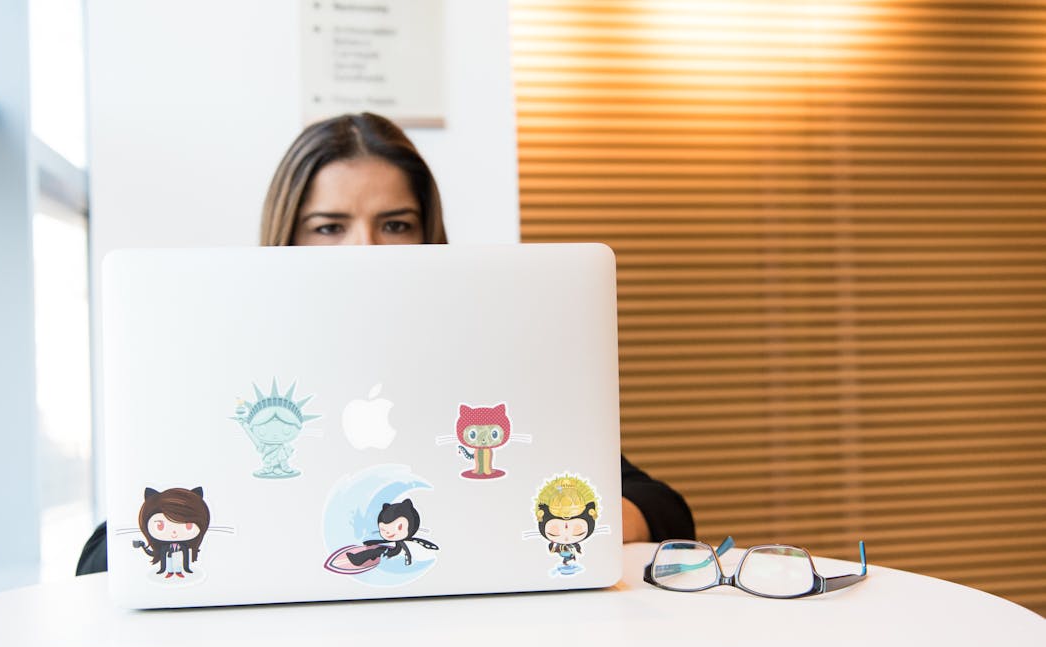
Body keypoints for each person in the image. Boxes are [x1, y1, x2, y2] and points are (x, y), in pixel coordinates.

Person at [76, 112, 693, 575]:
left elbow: (661, 508)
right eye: (329, 227)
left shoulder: (483, 360)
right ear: (285, 237)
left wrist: (569, 522)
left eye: (395, 224)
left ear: (430, 236)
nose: (365, 250)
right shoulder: (236, 377)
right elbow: (104, 555)